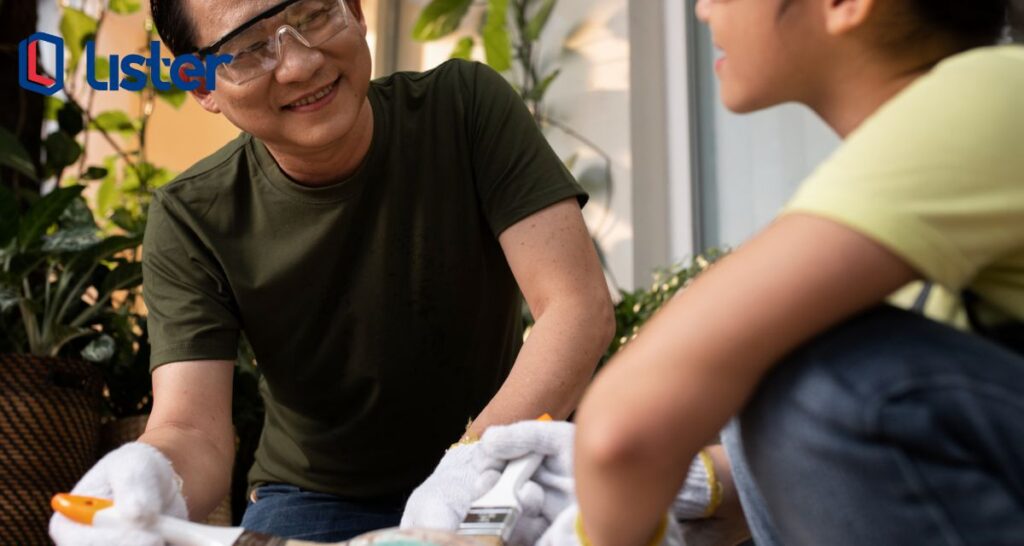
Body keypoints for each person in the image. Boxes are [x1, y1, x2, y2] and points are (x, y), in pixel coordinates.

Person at [48, 0, 615, 544]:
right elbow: (193, 429)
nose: (299, 65)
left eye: (314, 15)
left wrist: (471, 462)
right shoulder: (190, 216)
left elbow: (575, 308)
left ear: (356, 11)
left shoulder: (464, 107)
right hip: (315, 497)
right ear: (201, 84)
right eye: (247, 49)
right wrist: (152, 480)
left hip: (501, 461)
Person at [537, 0, 1024, 545]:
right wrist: (711, 482)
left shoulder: (986, 96)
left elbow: (623, 425)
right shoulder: (915, 190)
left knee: (813, 376)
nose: (702, 10)